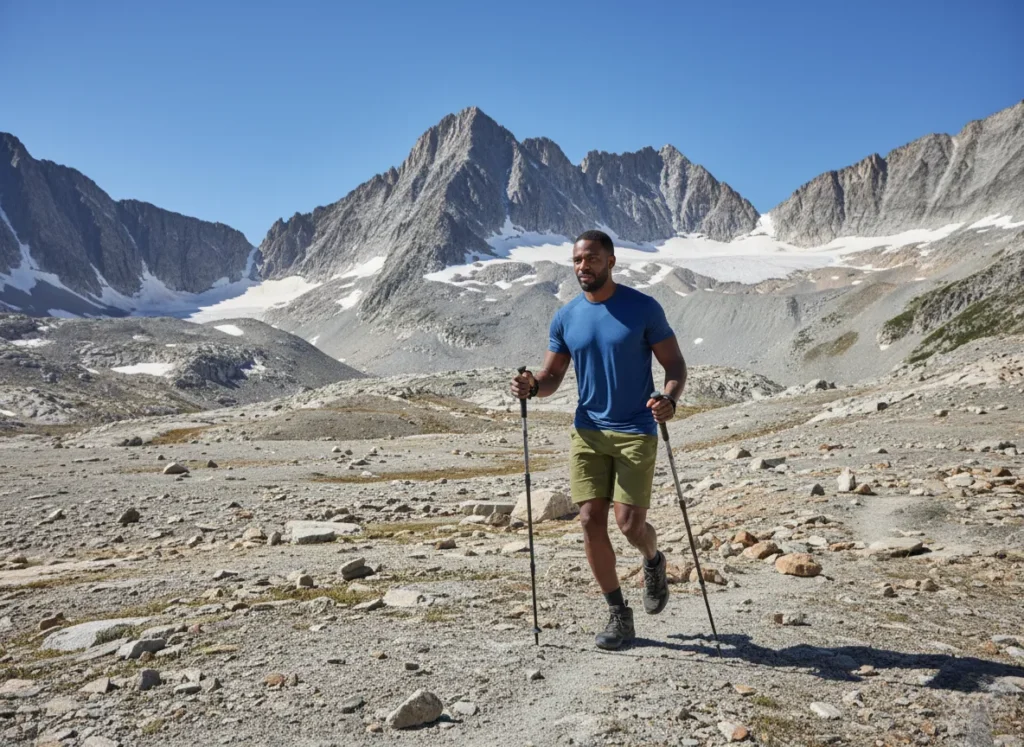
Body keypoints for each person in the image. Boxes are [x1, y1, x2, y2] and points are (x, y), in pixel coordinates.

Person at [510, 229, 686, 650]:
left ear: (610, 261)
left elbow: (675, 363)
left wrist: (669, 399)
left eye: (590, 259)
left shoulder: (642, 308)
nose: (582, 267)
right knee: (589, 520)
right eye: (576, 260)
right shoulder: (566, 316)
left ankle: (653, 560)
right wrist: (533, 385)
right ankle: (618, 613)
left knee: (630, 525)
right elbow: (552, 377)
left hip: (635, 432)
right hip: (588, 431)